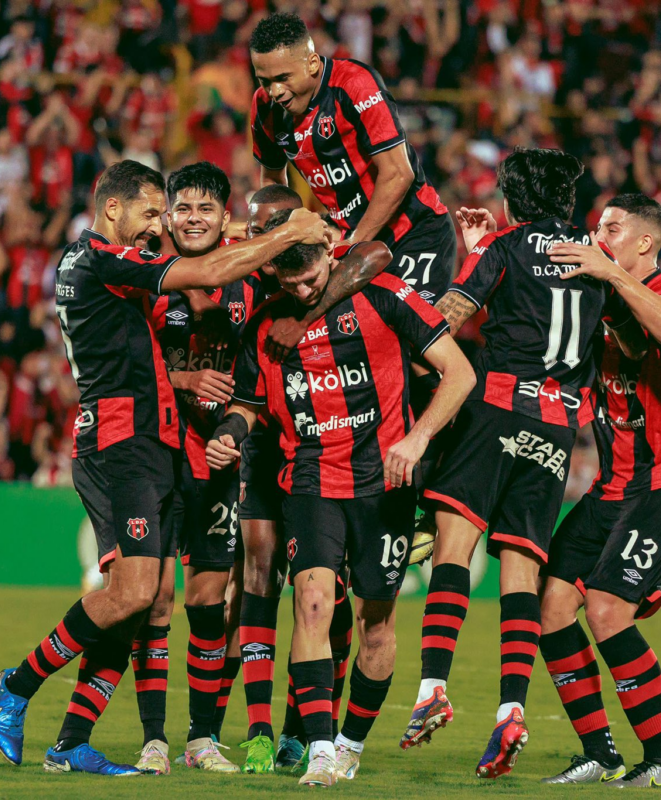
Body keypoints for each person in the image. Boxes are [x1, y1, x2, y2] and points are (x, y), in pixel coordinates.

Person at [0, 159, 330, 776]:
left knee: (139, 599)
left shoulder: (80, 261)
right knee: (138, 593)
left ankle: (70, 743)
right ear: (112, 208)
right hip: (123, 443)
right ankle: (15, 686)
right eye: (152, 213)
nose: (155, 228)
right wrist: (284, 233)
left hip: (148, 442)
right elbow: (203, 269)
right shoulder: (102, 258)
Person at [206, 211, 476, 787]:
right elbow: (250, 404)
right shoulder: (265, 323)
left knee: (375, 624)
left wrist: (418, 435)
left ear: (331, 254)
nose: (303, 291)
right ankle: (322, 750)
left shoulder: (385, 295)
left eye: (311, 279)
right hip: (309, 481)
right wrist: (229, 434)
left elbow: (459, 373)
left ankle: (351, 741)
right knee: (310, 605)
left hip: (384, 484)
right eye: (291, 283)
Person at [399, 148, 607, 781]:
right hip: (557, 425)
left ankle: (432, 688)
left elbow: (451, 316)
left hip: (496, 407)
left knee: (452, 551)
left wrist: (468, 263)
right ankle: (511, 708)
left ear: (514, 198)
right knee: (520, 573)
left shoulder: (509, 246)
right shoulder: (600, 259)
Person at [247, 11, 458, 558]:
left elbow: (399, 174)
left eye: (281, 79)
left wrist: (347, 243)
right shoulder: (266, 111)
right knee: (350, 349)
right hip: (350, 241)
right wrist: (277, 237)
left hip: (415, 235)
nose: (272, 91)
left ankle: (433, 498)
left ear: (312, 63)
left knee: (416, 357)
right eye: (263, 79)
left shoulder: (353, 85)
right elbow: (273, 183)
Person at [537, 193, 661, 788]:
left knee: (607, 609)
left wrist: (609, 272)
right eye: (598, 227)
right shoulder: (600, 296)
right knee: (552, 606)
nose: (600, 236)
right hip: (613, 486)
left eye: (613, 229)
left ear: (645, 243)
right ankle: (599, 752)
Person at [128, 161, 261, 775]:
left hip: (223, 458)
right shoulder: (145, 273)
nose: (194, 218)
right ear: (169, 215)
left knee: (210, 599)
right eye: (183, 208)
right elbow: (126, 364)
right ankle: (154, 737)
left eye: (206, 209)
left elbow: (263, 375)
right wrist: (181, 378)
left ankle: (201, 738)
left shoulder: (249, 278)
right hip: (160, 454)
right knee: (153, 599)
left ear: (225, 217)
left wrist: (235, 426)